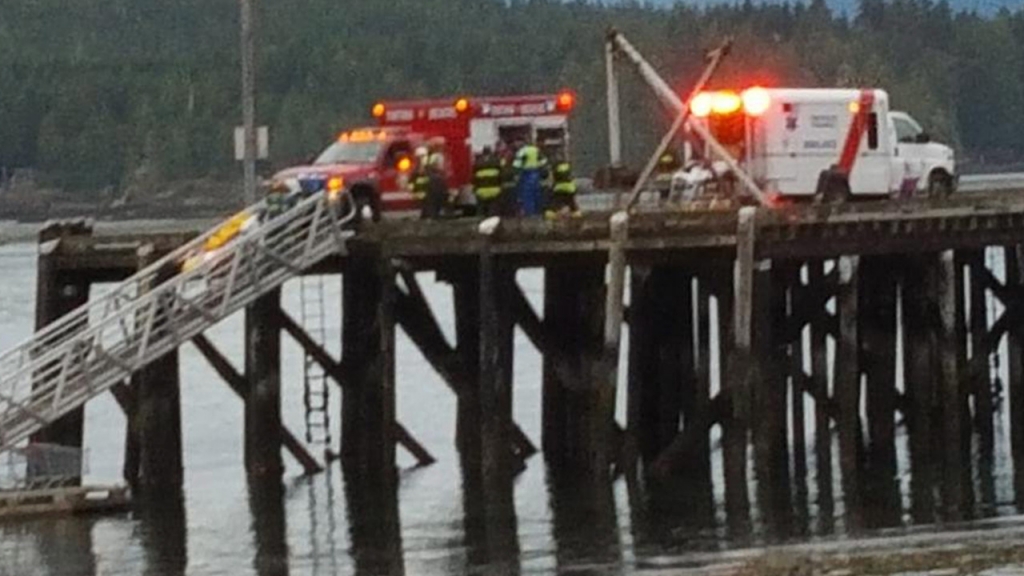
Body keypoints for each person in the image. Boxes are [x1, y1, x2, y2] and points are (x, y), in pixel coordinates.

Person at [512, 138, 547, 216]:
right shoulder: (536, 150)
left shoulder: (522, 151)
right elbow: (544, 161)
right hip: (536, 173)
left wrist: (515, 175)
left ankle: (530, 214)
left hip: (526, 174)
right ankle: (538, 213)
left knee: (527, 195)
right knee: (537, 194)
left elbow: (516, 165)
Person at [545, 151, 580, 219]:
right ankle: (576, 214)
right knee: (571, 203)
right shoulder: (567, 165)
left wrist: (551, 187)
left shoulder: (555, 167)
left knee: (553, 205)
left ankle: (552, 216)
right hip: (570, 188)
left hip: (559, 188)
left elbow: (552, 179)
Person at [471, 146, 503, 217]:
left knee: (481, 211)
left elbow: (473, 178)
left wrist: (474, 189)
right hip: (494, 190)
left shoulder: (478, 162)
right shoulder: (496, 161)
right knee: (493, 211)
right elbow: (501, 176)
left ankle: (480, 222)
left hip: (481, 191)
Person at [421, 137, 448, 219]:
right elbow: (441, 169)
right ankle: (436, 215)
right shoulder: (438, 156)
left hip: (429, 181)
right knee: (437, 199)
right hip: (437, 180)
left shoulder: (425, 158)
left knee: (431, 200)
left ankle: (432, 215)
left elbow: (423, 170)